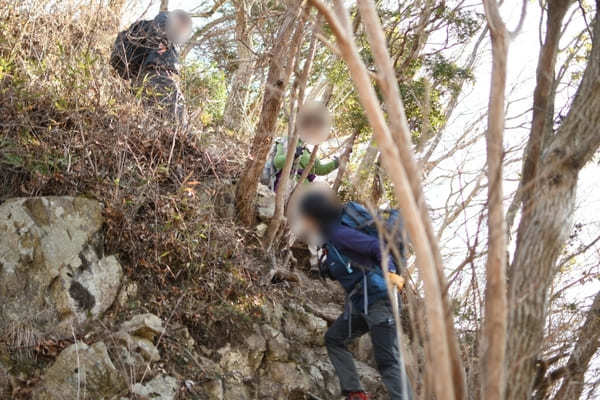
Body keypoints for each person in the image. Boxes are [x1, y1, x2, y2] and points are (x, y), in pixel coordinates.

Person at [296, 189, 411, 400]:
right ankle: (355, 393)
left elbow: (377, 247)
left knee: (388, 362)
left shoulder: (340, 234)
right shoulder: (331, 238)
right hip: (361, 304)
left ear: (315, 215)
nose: (306, 222)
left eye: (307, 217)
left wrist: (391, 272)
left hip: (379, 298)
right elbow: (348, 265)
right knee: (334, 339)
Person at [110, 10, 192, 124]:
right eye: (185, 25)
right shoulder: (166, 18)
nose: (184, 30)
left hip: (140, 79)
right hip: (159, 75)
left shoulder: (146, 29)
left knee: (151, 122)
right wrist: (164, 42)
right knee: (179, 122)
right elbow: (162, 20)